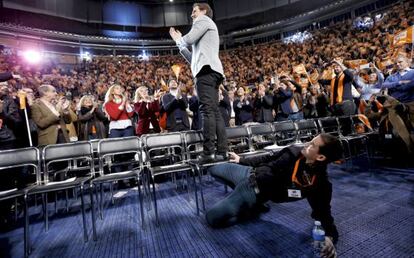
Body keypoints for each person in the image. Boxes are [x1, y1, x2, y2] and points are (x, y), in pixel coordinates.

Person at [206, 133, 343, 258]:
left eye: (312, 144)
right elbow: (267, 157)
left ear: (320, 157)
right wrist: (241, 160)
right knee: (213, 169)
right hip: (249, 173)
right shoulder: (293, 152)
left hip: (252, 192)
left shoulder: (319, 186)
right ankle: (244, 202)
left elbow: (324, 213)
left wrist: (329, 237)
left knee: (212, 218)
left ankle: (250, 209)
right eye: (310, 140)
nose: (306, 143)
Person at [169, 2, 228, 163]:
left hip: (206, 72)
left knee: (207, 111)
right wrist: (178, 43)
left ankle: (208, 152)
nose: (192, 14)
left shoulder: (202, 20)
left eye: (194, 11)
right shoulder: (205, 30)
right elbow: (192, 59)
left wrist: (179, 38)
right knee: (214, 112)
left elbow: (188, 40)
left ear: (204, 11)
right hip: (210, 71)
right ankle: (223, 151)